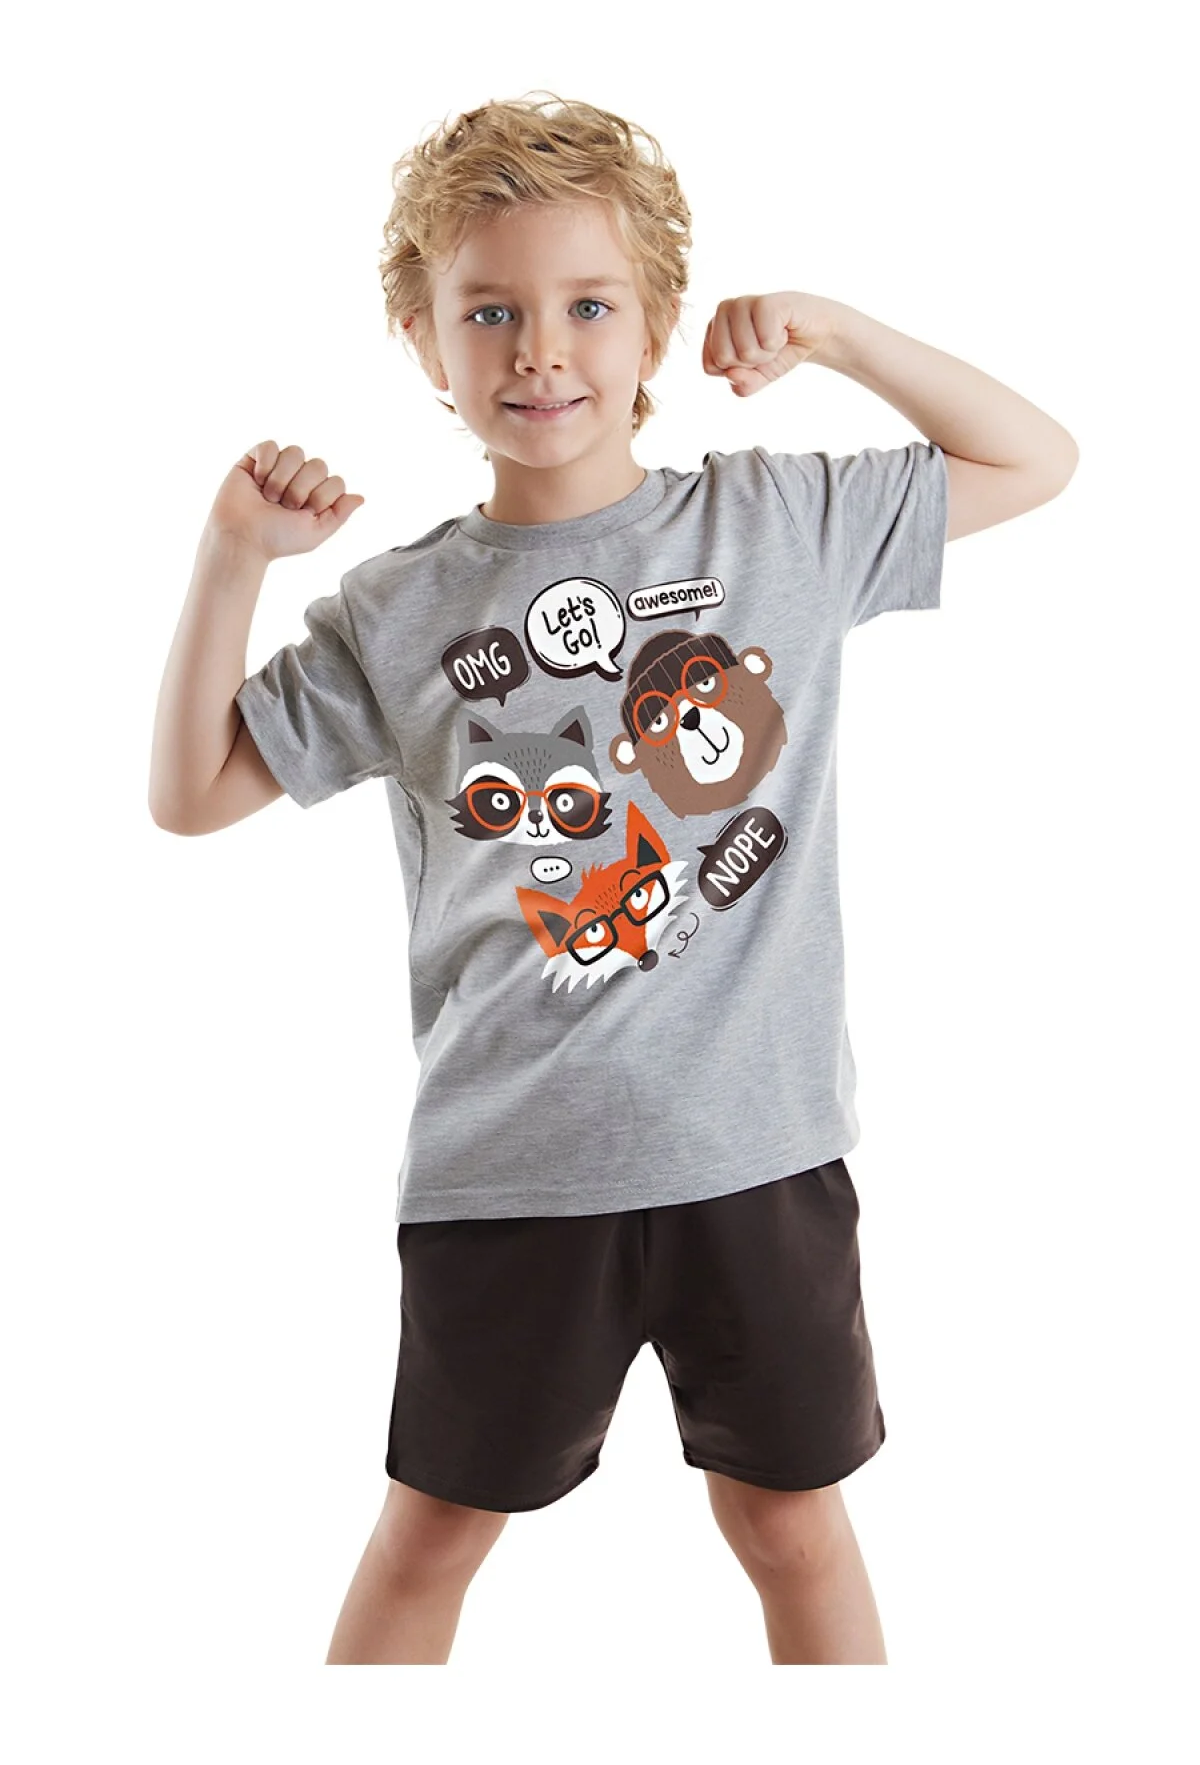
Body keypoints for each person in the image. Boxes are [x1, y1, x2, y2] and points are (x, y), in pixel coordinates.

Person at [148, 90, 1078, 1665]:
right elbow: (191, 795)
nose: (539, 352)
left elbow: (1037, 458)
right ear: (421, 339)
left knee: (792, 1527)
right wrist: (234, 556)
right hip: (508, 1171)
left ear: (654, 325)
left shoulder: (781, 521)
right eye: (488, 312)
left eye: (588, 306)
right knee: (432, 1539)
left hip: (757, 1153)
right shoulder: (396, 610)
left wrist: (837, 333)